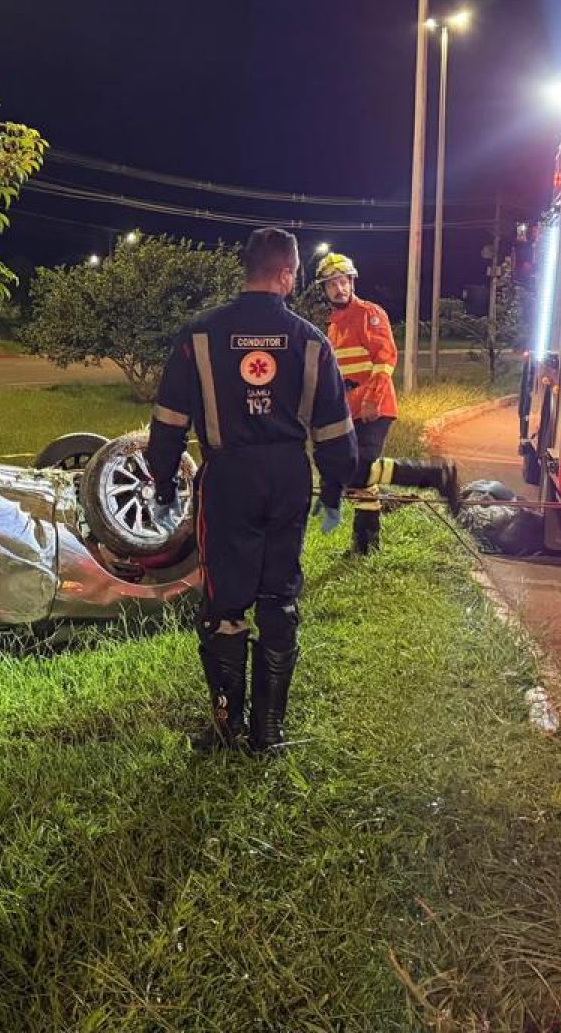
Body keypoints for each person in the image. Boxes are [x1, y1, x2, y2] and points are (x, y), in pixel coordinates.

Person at [147, 228, 357, 753]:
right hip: (288, 478)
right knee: (278, 598)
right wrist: (333, 489)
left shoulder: (200, 334)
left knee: (224, 603)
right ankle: (269, 732)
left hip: (228, 479)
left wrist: (163, 480)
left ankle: (226, 728)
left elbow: (169, 419)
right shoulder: (311, 340)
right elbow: (334, 429)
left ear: (247, 269)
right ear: (285, 274)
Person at [316, 252, 400, 556]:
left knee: (362, 465)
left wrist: (372, 400)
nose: (339, 289)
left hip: (375, 408)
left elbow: (386, 359)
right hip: (349, 410)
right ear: (325, 290)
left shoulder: (369, 313)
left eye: (343, 282)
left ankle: (413, 478)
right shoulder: (333, 325)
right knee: (358, 475)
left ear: (352, 282)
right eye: (332, 285)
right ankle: (365, 544)